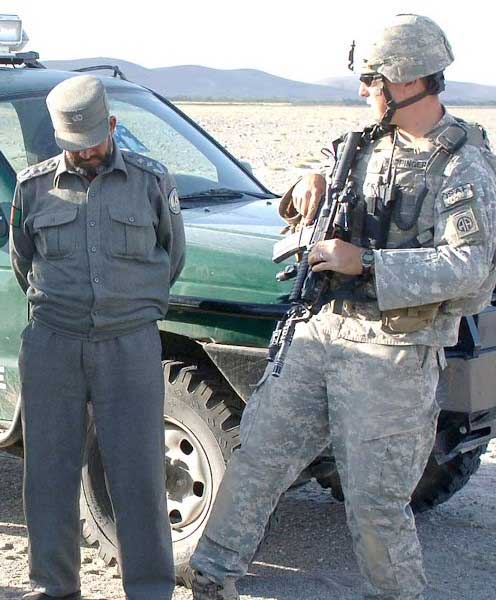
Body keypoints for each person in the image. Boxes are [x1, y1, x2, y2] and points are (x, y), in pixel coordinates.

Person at [189, 14, 496, 600]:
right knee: (257, 459)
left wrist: (367, 263)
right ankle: (213, 576)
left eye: (371, 80)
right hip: (324, 332)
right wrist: (306, 183)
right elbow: (322, 187)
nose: (363, 91)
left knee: (376, 503)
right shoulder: (364, 146)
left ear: (406, 82)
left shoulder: (462, 165)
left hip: (394, 353)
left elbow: (469, 267)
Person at [11, 74, 185, 600]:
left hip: (128, 343)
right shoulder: (32, 187)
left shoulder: (152, 181)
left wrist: (121, 306)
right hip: (53, 344)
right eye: (73, 148)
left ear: (112, 126)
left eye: (92, 145)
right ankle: (53, 586)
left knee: (138, 474)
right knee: (48, 474)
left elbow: (171, 256)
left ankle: (151, 589)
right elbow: (25, 265)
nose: (85, 155)